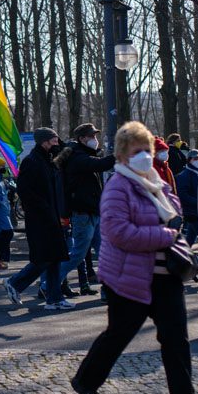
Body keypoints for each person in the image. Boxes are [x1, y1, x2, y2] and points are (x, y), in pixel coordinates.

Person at [71, 121, 198, 394]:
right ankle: (85, 380)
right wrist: (164, 235)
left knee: (176, 339)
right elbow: (119, 232)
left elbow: (173, 214)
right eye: (138, 151)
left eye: (147, 150)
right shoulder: (117, 187)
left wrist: (170, 225)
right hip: (129, 277)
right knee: (119, 334)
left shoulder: (157, 183)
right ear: (123, 155)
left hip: (166, 275)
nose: (145, 156)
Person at [4, 128, 71, 312]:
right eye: (54, 140)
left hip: (51, 217)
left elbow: (65, 154)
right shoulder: (31, 161)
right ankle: (15, 283)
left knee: (55, 257)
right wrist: (44, 209)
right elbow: (25, 191)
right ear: (44, 142)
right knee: (44, 258)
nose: (57, 143)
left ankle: (54, 298)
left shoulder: (48, 160)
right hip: (40, 219)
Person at [55, 122, 115, 294]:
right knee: (78, 255)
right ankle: (49, 284)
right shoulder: (77, 157)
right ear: (82, 139)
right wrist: (119, 154)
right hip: (83, 214)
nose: (95, 140)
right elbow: (100, 164)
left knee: (106, 253)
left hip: (92, 213)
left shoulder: (82, 154)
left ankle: (108, 291)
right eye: (92, 137)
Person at [175, 150, 198, 252]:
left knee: (191, 237)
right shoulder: (184, 175)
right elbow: (183, 195)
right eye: (196, 159)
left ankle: (184, 254)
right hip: (191, 211)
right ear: (189, 160)